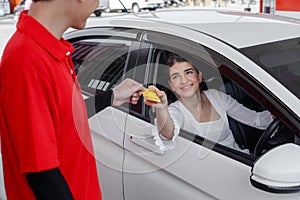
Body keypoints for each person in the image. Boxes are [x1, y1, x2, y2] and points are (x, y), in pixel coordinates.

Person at [0, 0, 145, 199]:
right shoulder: (26, 59)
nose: (97, 4)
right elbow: (42, 175)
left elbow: (63, 118)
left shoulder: (51, 49)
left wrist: (111, 96)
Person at [145, 53, 274, 153]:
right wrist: (162, 108)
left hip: (239, 163)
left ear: (199, 77)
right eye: (176, 76)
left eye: (188, 72)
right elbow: (168, 134)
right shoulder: (175, 110)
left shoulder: (217, 96)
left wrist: (283, 113)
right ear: (171, 85)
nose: (183, 80)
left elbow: (257, 120)